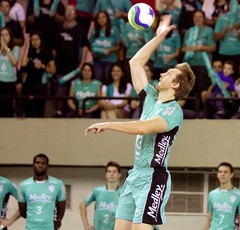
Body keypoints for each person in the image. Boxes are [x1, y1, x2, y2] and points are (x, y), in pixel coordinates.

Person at [85, 15, 195, 230]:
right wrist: (159, 37)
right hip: (134, 175)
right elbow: (135, 62)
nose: (162, 73)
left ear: (175, 84)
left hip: (154, 177)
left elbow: (144, 128)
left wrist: (108, 125)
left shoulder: (174, 111)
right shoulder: (151, 98)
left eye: (169, 73)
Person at [18, 153, 67, 230]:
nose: (40, 165)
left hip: (49, 227)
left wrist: (58, 220)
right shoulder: (23, 185)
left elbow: (62, 208)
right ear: (33, 165)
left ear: (47, 165)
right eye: (37, 163)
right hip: (30, 227)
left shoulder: (58, 185)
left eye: (43, 163)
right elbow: (22, 212)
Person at [204, 162, 240, 230]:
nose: (222, 174)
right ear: (217, 175)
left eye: (225, 172)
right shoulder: (212, 194)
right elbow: (209, 219)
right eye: (220, 172)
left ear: (231, 175)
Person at [21, 32, 56, 118]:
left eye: (37, 39)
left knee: (39, 110)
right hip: (28, 84)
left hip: (40, 85)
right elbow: (23, 64)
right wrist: (27, 47)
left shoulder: (47, 52)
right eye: (32, 40)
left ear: (41, 40)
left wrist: (43, 66)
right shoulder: (29, 52)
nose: (35, 42)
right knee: (28, 110)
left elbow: (53, 70)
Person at [79, 161, 122, 230]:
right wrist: (86, 225)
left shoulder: (123, 193)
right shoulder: (97, 191)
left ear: (119, 175)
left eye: (114, 172)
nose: (111, 174)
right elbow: (82, 205)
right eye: (109, 171)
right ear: (106, 174)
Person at [90, 10, 120, 84]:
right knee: (97, 79)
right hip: (97, 60)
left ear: (107, 18)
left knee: (108, 79)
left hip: (110, 61)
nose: (101, 19)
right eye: (99, 18)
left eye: (103, 17)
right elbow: (90, 45)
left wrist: (110, 50)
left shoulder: (114, 30)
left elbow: (118, 46)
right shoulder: (94, 31)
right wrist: (92, 52)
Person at [0, 26, 20, 117]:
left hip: (9, 82)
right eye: (2, 35)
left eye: (6, 35)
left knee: (8, 107)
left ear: (10, 36)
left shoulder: (16, 48)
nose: (4, 37)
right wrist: (1, 49)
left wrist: (6, 48)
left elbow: (14, 62)